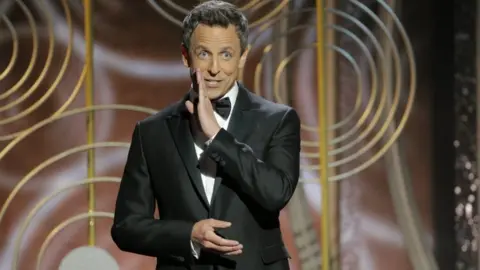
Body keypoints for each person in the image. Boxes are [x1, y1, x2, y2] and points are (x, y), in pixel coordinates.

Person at [110, 1, 301, 269]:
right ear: (185, 56)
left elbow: (276, 193)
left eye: (225, 54)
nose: (214, 68)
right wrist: (188, 234)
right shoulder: (151, 132)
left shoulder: (277, 120)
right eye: (203, 54)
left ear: (242, 56)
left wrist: (216, 135)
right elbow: (126, 227)